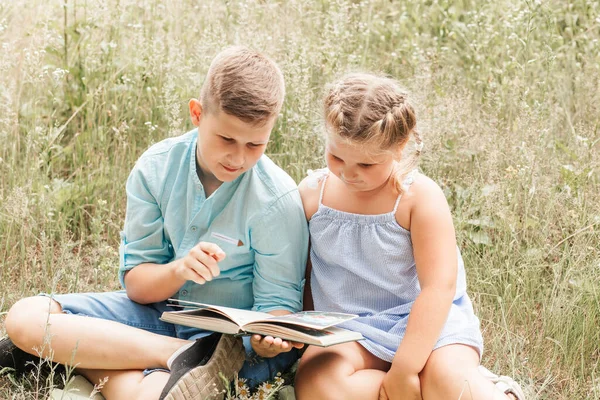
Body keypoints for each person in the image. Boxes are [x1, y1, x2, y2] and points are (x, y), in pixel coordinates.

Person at [2, 46, 307, 400]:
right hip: (162, 317)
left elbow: (278, 308)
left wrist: (268, 341)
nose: (238, 158)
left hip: (232, 345)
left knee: (150, 396)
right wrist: (179, 270)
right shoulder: (156, 168)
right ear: (197, 113)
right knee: (24, 317)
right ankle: (173, 356)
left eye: (255, 144)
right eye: (226, 139)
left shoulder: (277, 199)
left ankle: (81, 355)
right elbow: (138, 288)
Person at [294, 73, 525, 400]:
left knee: (445, 380)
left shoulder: (419, 199)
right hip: (350, 328)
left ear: (399, 149)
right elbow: (304, 276)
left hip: (428, 325)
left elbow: (438, 288)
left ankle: (480, 388)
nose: (348, 173)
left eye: (366, 164)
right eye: (336, 157)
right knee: (318, 385)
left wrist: (404, 369)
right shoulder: (312, 195)